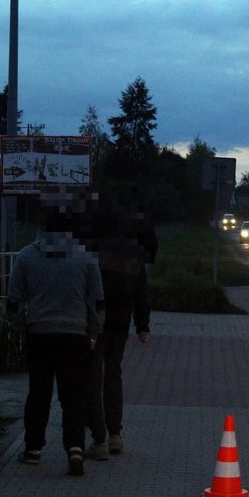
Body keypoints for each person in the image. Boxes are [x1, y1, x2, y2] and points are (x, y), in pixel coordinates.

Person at [7, 195, 104, 476]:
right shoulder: (86, 257)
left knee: (38, 393)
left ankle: (33, 449)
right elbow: (96, 300)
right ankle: (75, 448)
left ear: (43, 226)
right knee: (73, 395)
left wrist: (19, 325)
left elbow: (14, 300)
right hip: (75, 336)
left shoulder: (27, 256)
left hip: (40, 334)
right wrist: (94, 331)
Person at [78, 191, 154, 460]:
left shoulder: (89, 249)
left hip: (93, 324)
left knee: (92, 378)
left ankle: (98, 440)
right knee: (113, 375)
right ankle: (115, 436)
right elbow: (141, 291)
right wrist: (142, 326)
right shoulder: (133, 252)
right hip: (120, 324)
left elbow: (82, 288)